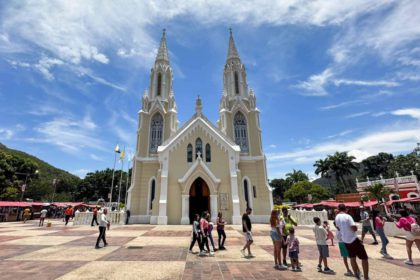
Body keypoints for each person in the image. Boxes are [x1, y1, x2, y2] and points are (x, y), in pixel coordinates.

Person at [335, 204, 369, 280]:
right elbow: (354, 228)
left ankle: (357, 276)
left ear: (338, 209)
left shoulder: (337, 217)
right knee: (364, 258)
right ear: (345, 209)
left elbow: (338, 227)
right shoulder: (348, 216)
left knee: (352, 257)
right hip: (353, 239)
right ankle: (366, 277)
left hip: (345, 240)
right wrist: (355, 227)